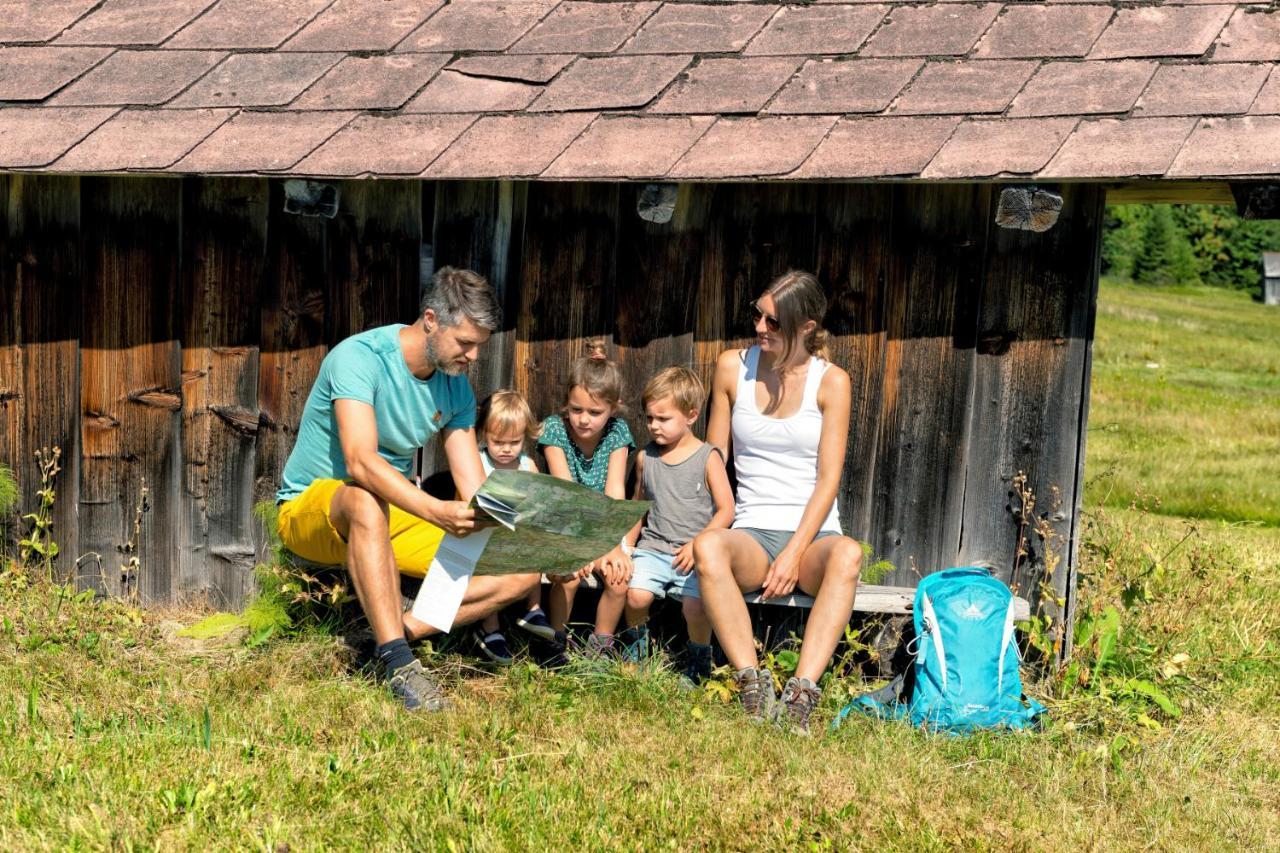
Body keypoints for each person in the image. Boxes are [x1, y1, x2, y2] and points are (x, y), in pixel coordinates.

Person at [275, 267, 539, 712]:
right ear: (431, 320)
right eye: (465, 343)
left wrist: (542, 535)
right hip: (315, 509)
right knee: (364, 497)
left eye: (480, 345)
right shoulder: (359, 357)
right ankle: (402, 668)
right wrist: (437, 511)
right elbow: (360, 461)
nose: (473, 356)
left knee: (522, 570)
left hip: (389, 515)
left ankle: (388, 638)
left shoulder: (454, 387)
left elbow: (475, 485)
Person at [693, 270, 863, 734]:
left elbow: (829, 479)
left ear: (807, 327)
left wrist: (793, 553)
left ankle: (801, 694)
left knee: (849, 554)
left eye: (774, 322)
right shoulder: (733, 367)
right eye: (759, 315)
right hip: (751, 530)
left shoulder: (832, 383)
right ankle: (752, 685)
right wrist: (712, 523)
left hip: (812, 538)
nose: (760, 327)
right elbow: (715, 458)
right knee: (710, 548)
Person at [596, 367, 733, 682]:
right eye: (649, 418)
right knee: (635, 596)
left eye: (663, 419)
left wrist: (700, 544)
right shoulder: (647, 457)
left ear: (691, 415)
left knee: (696, 606)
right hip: (654, 547)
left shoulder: (707, 457)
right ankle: (637, 645)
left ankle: (700, 656)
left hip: (695, 555)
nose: (654, 426)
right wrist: (625, 547)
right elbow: (637, 506)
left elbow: (726, 509)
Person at [537, 339, 635, 656]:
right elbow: (567, 492)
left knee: (618, 579)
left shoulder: (617, 432)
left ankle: (600, 644)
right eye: (577, 409)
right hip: (566, 521)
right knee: (567, 573)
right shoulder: (555, 429)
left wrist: (611, 545)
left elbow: (615, 490)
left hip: (604, 525)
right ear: (567, 403)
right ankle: (556, 639)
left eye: (595, 412)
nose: (584, 419)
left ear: (613, 407)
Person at [471, 389, 554, 665]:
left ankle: (533, 609)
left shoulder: (527, 464)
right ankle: (489, 626)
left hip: (518, 533)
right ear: (484, 435)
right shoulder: (478, 462)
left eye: (515, 442)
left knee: (534, 543)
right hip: (487, 536)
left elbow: (540, 498)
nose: (506, 449)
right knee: (489, 561)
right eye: (498, 442)